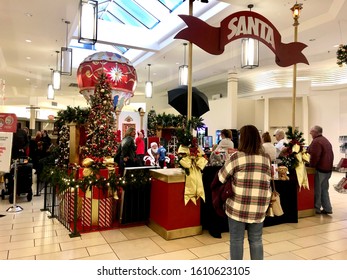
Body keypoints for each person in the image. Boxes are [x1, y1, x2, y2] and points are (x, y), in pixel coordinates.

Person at [217, 125, 272, 260]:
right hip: (259, 206)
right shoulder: (265, 158)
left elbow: (221, 177)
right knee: (256, 240)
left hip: (237, 205)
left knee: (236, 240)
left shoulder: (237, 157)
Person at [307, 125, 334, 215]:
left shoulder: (316, 141)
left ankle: (316, 208)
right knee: (324, 190)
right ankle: (327, 208)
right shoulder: (325, 140)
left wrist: (311, 166)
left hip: (320, 169)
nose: (310, 133)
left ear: (315, 132)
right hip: (328, 169)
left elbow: (315, 156)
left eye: (311, 131)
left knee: (317, 190)